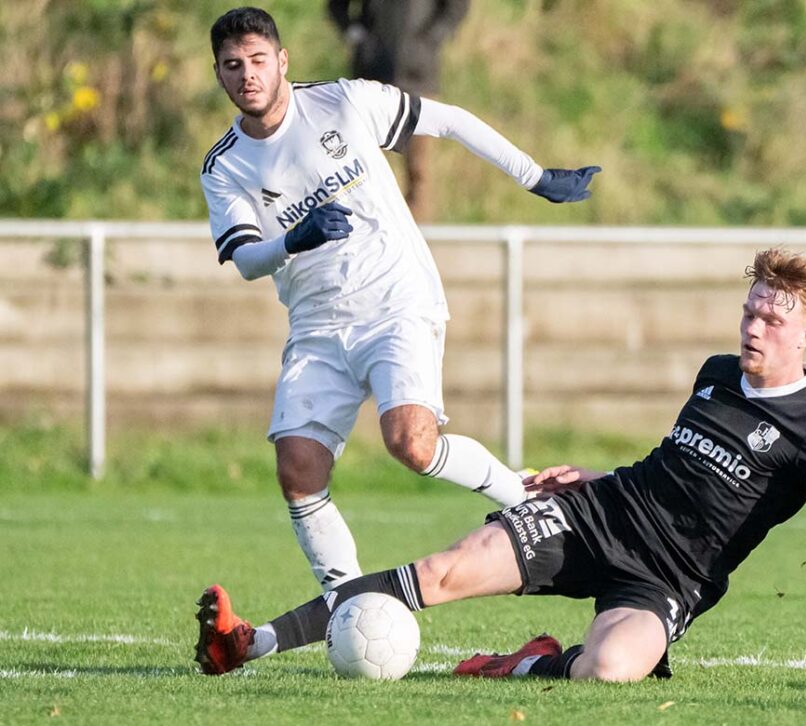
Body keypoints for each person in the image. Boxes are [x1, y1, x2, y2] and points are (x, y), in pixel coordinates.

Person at [194, 249, 806, 687]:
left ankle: (524, 665)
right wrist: (598, 478)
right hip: (598, 514)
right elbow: (679, 465)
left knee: (609, 669)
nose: (753, 327)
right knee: (441, 572)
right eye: (749, 311)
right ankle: (248, 643)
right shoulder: (716, 372)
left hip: (670, 579)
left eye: (772, 320)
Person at [200, 7, 600, 593]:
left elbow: (449, 120)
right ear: (219, 74)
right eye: (233, 65)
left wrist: (534, 176)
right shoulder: (224, 166)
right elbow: (245, 259)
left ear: (282, 61)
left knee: (412, 443)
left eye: (258, 60)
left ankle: (523, 494)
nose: (248, 75)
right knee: (298, 471)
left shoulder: (343, 102)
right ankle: (346, 601)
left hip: (395, 299)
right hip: (316, 325)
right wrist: (293, 240)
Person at [327, 0, 471, 220]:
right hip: (370, 78)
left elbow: (456, 7)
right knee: (364, 166)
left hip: (419, 77)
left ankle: (418, 230)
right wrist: (356, 35)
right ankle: (370, 227)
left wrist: (430, 40)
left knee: (418, 169)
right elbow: (336, 6)